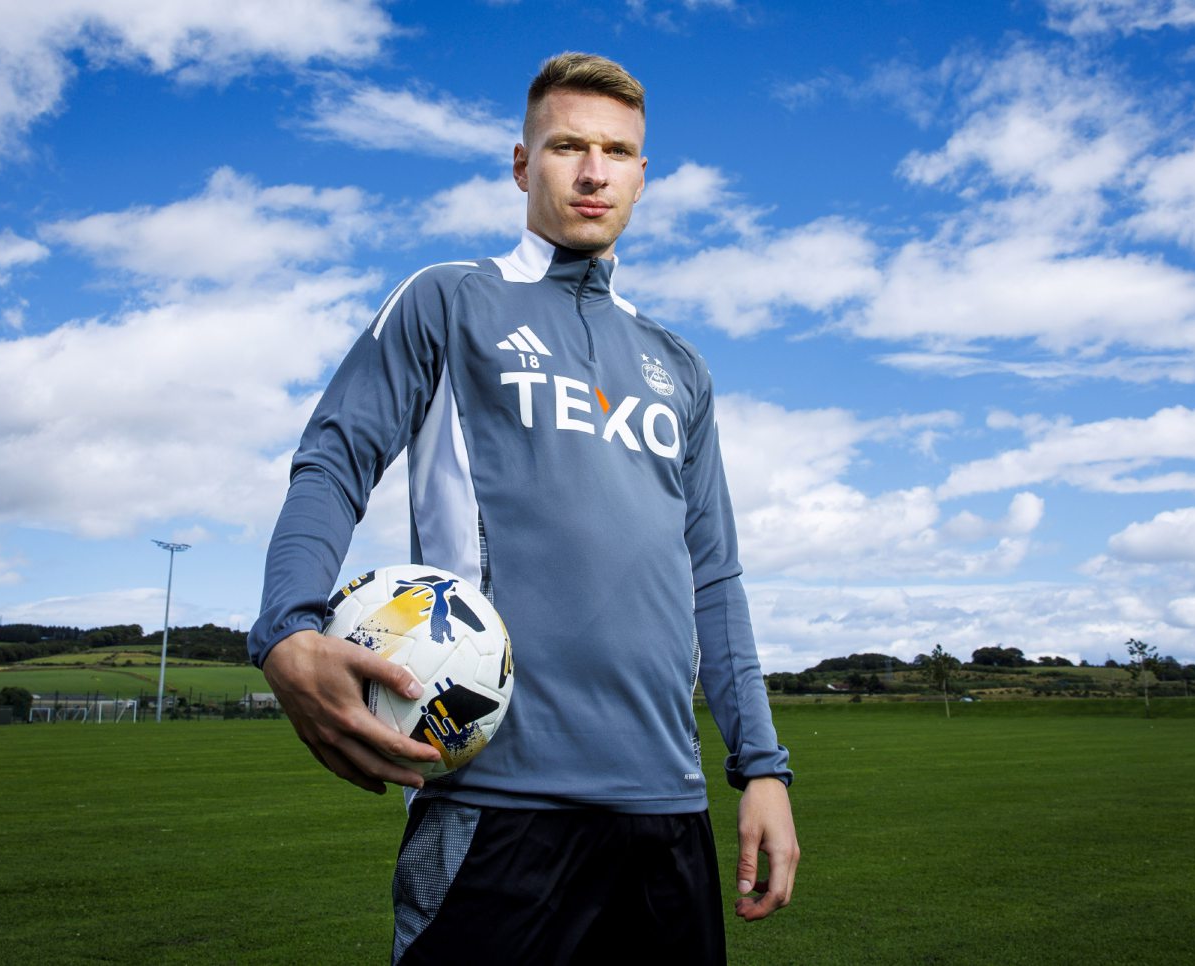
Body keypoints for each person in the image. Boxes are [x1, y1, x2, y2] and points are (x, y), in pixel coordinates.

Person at [249, 52, 798, 963]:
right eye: (567, 146)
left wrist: (763, 768)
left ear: (642, 174)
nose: (593, 172)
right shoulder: (451, 300)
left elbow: (715, 578)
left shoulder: (680, 365)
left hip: (666, 812)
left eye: (617, 152)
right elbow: (335, 458)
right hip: (497, 809)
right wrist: (285, 627)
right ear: (521, 163)